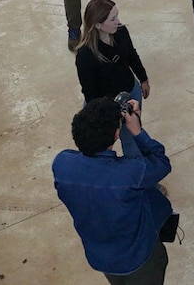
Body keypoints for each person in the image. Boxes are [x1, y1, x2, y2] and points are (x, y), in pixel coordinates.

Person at [52, 97, 172, 284]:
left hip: (100, 255)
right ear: (117, 135)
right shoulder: (129, 173)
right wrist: (137, 131)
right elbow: (162, 163)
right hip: (139, 257)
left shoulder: (61, 163)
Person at [75, 0, 150, 156]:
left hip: (130, 92)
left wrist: (143, 78)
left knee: (131, 138)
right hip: (104, 104)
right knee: (99, 145)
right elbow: (90, 92)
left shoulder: (121, 32)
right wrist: (108, 116)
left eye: (117, 16)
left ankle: (135, 175)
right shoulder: (85, 55)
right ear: (97, 25)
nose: (118, 22)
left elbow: (132, 56)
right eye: (113, 19)